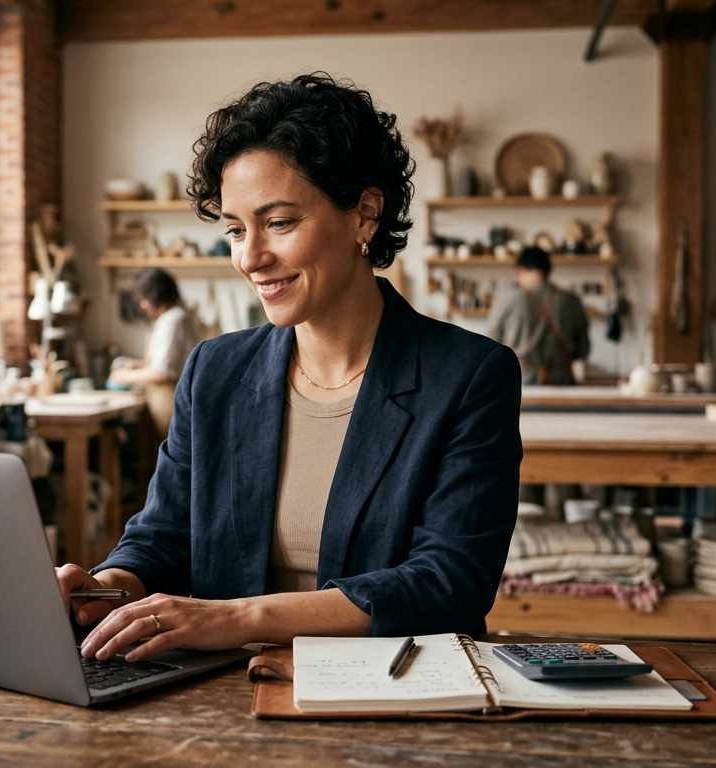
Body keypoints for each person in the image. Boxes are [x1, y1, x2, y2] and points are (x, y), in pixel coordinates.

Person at [58, 73, 521, 664]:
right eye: (235, 230)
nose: (250, 257)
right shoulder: (213, 370)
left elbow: (448, 582)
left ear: (365, 215)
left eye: (279, 223)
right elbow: (163, 538)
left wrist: (239, 618)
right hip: (218, 694)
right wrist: (104, 590)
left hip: (390, 692)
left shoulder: (471, 375)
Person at [108, 268, 199, 433]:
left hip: (171, 403)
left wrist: (124, 376)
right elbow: (168, 362)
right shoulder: (169, 319)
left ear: (156, 295)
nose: (143, 305)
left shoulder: (173, 320)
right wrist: (137, 365)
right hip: (164, 404)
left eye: (144, 299)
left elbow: (163, 372)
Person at [485, 247, 591, 385]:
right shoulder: (571, 300)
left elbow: (490, 347)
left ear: (520, 269)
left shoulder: (506, 300)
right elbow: (583, 350)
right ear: (550, 270)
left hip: (518, 381)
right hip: (562, 382)